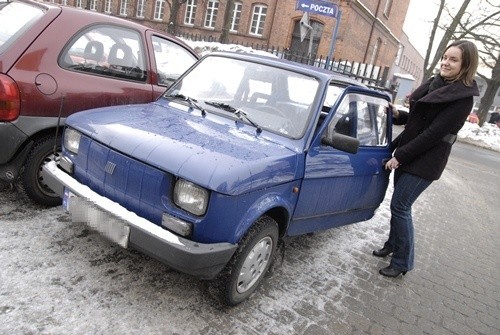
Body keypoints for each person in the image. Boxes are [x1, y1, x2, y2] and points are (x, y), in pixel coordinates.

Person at [373, 40, 480, 278]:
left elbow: (433, 134)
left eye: (453, 60)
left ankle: (402, 261)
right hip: (412, 152)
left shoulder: (463, 98)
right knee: (397, 205)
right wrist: (399, 114)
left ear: (465, 65)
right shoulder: (436, 83)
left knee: (401, 206)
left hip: (426, 160)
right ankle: (392, 245)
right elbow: (420, 120)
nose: (445, 62)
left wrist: (400, 156)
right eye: (445, 57)